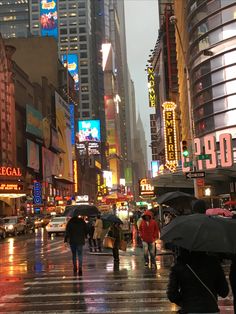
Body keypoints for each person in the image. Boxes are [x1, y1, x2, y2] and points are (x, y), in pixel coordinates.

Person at [167, 249, 229, 314]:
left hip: (189, 309)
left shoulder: (179, 265)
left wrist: (185, 303)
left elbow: (172, 294)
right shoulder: (213, 263)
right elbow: (224, 292)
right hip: (211, 309)